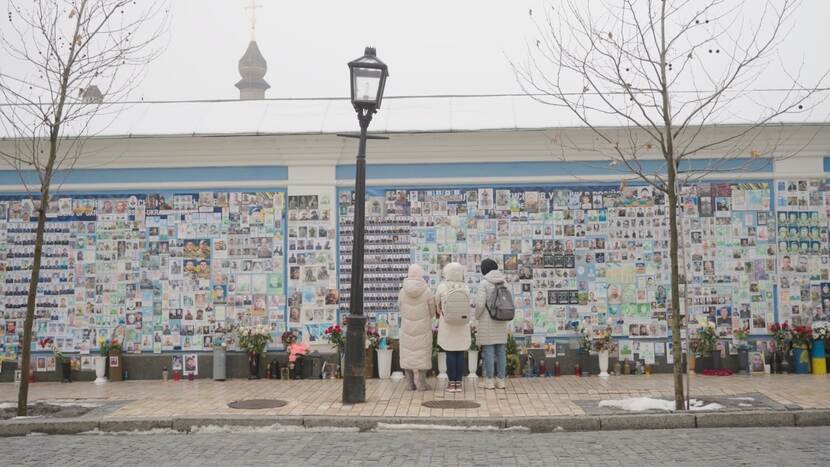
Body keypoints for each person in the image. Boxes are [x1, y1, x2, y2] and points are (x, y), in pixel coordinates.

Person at [435, 262, 472, 393]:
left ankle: (451, 384)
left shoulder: (442, 287)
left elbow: (437, 304)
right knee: (460, 353)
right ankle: (459, 383)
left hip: (447, 325)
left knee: (450, 352)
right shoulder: (466, 287)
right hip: (462, 325)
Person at [399, 264, 435, 391]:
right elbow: (432, 311)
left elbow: (400, 308)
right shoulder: (427, 291)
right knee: (422, 353)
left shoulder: (402, 291)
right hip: (422, 327)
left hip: (407, 327)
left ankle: (409, 383)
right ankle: (421, 383)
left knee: (407, 353)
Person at [474, 259, 509, 390]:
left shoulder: (484, 283)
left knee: (488, 351)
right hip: (501, 320)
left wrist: (476, 316)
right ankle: (501, 381)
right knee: (501, 351)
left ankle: (489, 381)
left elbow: (480, 304)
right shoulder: (504, 282)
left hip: (488, 321)